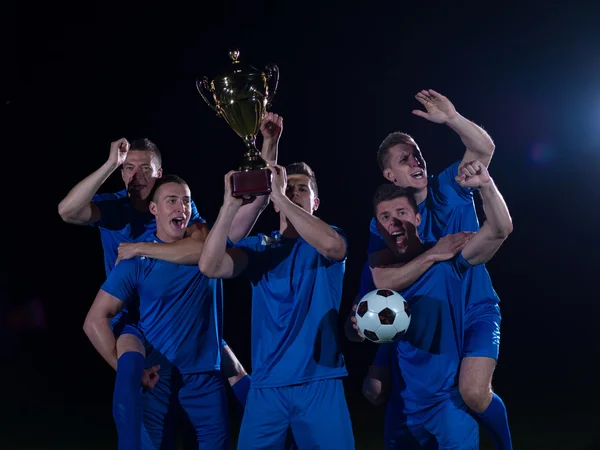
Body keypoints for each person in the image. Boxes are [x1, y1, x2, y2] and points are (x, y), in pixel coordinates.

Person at [58, 113, 282, 449]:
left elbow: (213, 245)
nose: (137, 175)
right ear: (153, 210)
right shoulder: (116, 210)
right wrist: (109, 163)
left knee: (226, 361)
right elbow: (67, 211)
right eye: (129, 168)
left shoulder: (185, 219)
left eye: (146, 168)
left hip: (180, 325)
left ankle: (281, 435)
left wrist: (140, 247)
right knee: (132, 370)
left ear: (160, 174)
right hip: (133, 321)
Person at [362, 90, 512, 449]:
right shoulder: (384, 222)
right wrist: (433, 255)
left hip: (473, 309)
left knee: (474, 392)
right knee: (394, 395)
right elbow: (382, 281)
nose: (415, 159)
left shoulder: (447, 187)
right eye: (404, 157)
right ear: (389, 174)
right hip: (426, 317)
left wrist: (452, 119)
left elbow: (484, 151)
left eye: (417, 153)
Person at [199, 162, 355, 449]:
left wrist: (281, 196)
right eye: (287, 186)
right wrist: (229, 206)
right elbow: (209, 266)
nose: (293, 192)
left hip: (319, 382)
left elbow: (335, 248)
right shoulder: (261, 247)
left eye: (301, 189)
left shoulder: (327, 240)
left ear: (315, 202)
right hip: (266, 387)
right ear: (271, 203)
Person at [84, 174, 233, 449]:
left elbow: (207, 248)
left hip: (204, 380)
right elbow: (94, 320)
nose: (181, 207)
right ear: (154, 209)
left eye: (186, 201)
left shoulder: (204, 248)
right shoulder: (135, 262)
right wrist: (128, 371)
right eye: (172, 201)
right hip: (158, 378)